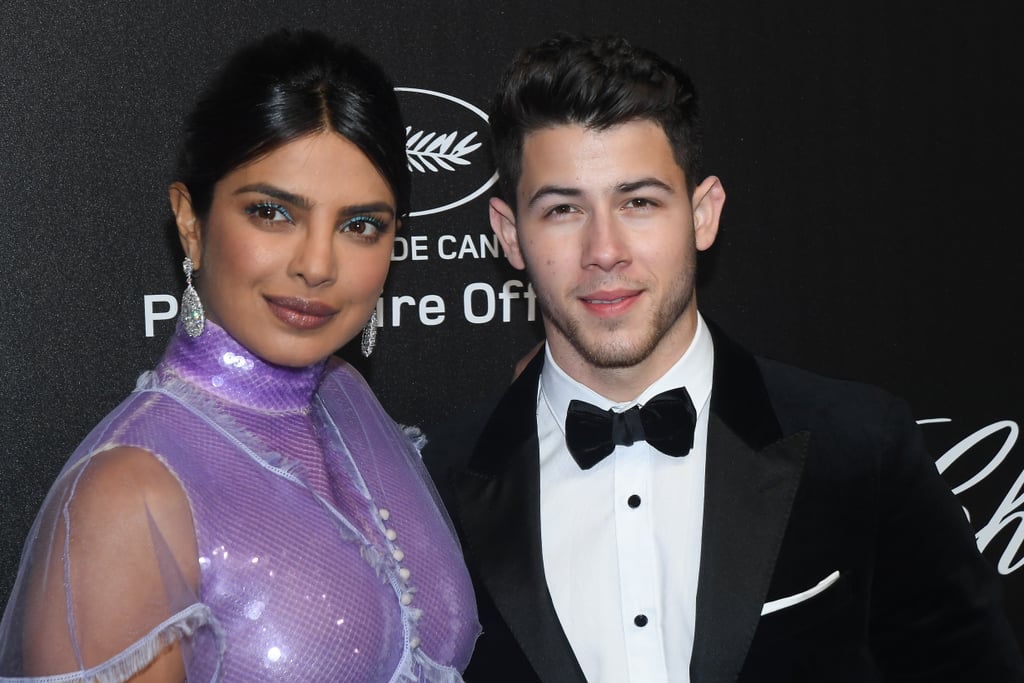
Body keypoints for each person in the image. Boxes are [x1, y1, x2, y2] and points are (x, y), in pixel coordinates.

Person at [422, 32, 1024, 682]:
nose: (605, 249)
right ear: (510, 234)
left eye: (639, 202)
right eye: (564, 209)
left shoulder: (860, 447)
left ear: (703, 215)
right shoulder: (436, 485)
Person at [0, 28, 479, 681]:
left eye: (360, 225)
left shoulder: (348, 399)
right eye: (273, 213)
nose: (317, 264)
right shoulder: (131, 493)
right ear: (191, 222)